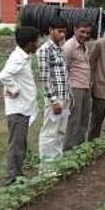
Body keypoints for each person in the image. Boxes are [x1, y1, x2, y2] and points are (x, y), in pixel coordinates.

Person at [0, 26, 40, 185]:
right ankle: (11, 180)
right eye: (36, 41)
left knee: (20, 145)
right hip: (18, 110)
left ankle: (17, 175)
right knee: (16, 146)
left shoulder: (23, 57)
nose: (38, 44)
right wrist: (14, 89)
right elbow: (3, 75)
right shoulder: (17, 58)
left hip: (23, 108)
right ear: (29, 43)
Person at [37, 16, 69, 164]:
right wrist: (54, 101)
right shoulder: (45, 50)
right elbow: (45, 78)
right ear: (50, 30)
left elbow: (64, 74)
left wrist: (69, 96)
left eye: (64, 32)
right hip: (54, 99)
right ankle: (47, 168)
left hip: (64, 97)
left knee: (60, 132)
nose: (62, 35)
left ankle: (57, 162)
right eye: (59, 31)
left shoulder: (60, 48)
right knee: (49, 133)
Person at [62, 20, 92, 150]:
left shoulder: (85, 46)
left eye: (87, 32)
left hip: (85, 87)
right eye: (82, 32)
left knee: (84, 120)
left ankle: (79, 150)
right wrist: (68, 92)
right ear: (75, 30)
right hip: (75, 88)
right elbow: (64, 69)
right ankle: (69, 151)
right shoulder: (69, 47)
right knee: (74, 121)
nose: (85, 35)